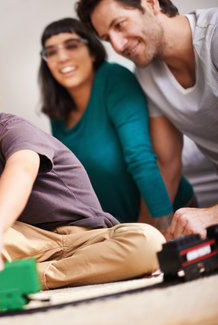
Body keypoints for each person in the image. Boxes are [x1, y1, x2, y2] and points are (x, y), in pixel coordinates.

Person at [0, 43, 165, 293]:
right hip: (29, 243)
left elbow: (20, 173)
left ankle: (32, 276)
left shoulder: (15, 133)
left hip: (83, 237)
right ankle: (15, 274)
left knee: (150, 243)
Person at [75, 0, 218, 239]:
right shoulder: (146, 75)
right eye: (108, 38)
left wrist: (213, 214)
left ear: (151, 4)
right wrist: (144, 237)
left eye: (119, 25)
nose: (118, 46)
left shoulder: (213, 37)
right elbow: (167, 165)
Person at [37, 17, 193, 232]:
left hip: (168, 218)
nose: (62, 57)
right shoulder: (58, 110)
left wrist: (154, 228)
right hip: (118, 231)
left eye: (72, 46)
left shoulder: (113, 79)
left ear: (92, 51)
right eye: (51, 52)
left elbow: (141, 158)